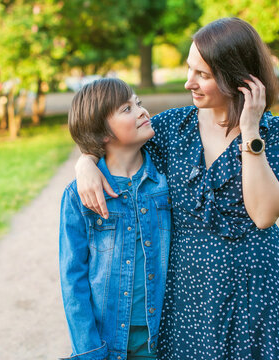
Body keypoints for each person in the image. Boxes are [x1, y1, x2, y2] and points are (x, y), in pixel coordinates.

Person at [74, 18, 279, 359]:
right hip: (190, 293)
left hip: (260, 288)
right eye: (190, 70)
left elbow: (263, 215)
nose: (189, 82)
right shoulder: (173, 128)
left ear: (239, 78)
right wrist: (85, 161)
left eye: (203, 74)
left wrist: (250, 131)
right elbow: (114, 138)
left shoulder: (275, 133)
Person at [59, 78, 172, 360]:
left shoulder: (165, 185)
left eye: (139, 103)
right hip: (108, 343)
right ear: (102, 132)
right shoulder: (78, 196)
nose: (142, 111)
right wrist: (89, 351)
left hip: (163, 340)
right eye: (126, 108)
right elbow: (73, 279)